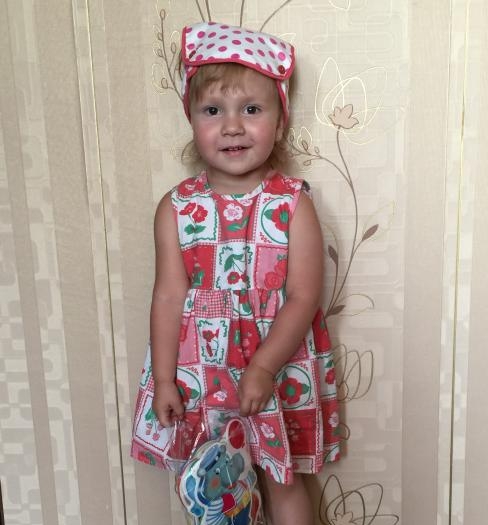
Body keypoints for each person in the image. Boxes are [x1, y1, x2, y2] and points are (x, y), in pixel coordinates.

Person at [131, 21, 340, 525]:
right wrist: (165, 380)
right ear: (192, 119)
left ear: (279, 121)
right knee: (213, 479)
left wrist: (264, 368)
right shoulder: (176, 208)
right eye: (212, 111)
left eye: (251, 110)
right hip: (202, 367)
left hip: (276, 360)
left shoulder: (292, 204)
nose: (231, 126)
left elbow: (303, 295)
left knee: (282, 478)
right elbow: (168, 297)